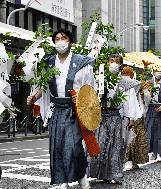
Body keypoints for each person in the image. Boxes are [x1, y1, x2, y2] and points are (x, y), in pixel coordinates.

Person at [27, 29, 95, 189]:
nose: (60, 41)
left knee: (74, 146)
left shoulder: (82, 62)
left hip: (75, 110)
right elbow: (44, 88)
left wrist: (81, 97)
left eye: (64, 38)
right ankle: (62, 180)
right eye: (57, 39)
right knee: (57, 146)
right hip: (57, 110)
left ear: (71, 41)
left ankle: (81, 174)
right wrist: (33, 97)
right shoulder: (49, 62)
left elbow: (90, 87)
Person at [88, 54, 125, 184]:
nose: (113, 63)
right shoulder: (100, 78)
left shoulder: (123, 81)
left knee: (115, 146)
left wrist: (130, 117)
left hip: (115, 116)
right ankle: (100, 173)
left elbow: (127, 100)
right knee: (100, 144)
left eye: (116, 61)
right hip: (102, 115)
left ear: (120, 65)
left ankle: (115, 175)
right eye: (111, 61)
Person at [123, 66, 149, 169]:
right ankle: (124, 161)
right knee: (130, 139)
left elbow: (147, 99)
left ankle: (134, 161)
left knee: (137, 140)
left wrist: (144, 92)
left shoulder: (138, 84)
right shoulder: (126, 84)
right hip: (130, 114)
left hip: (138, 114)